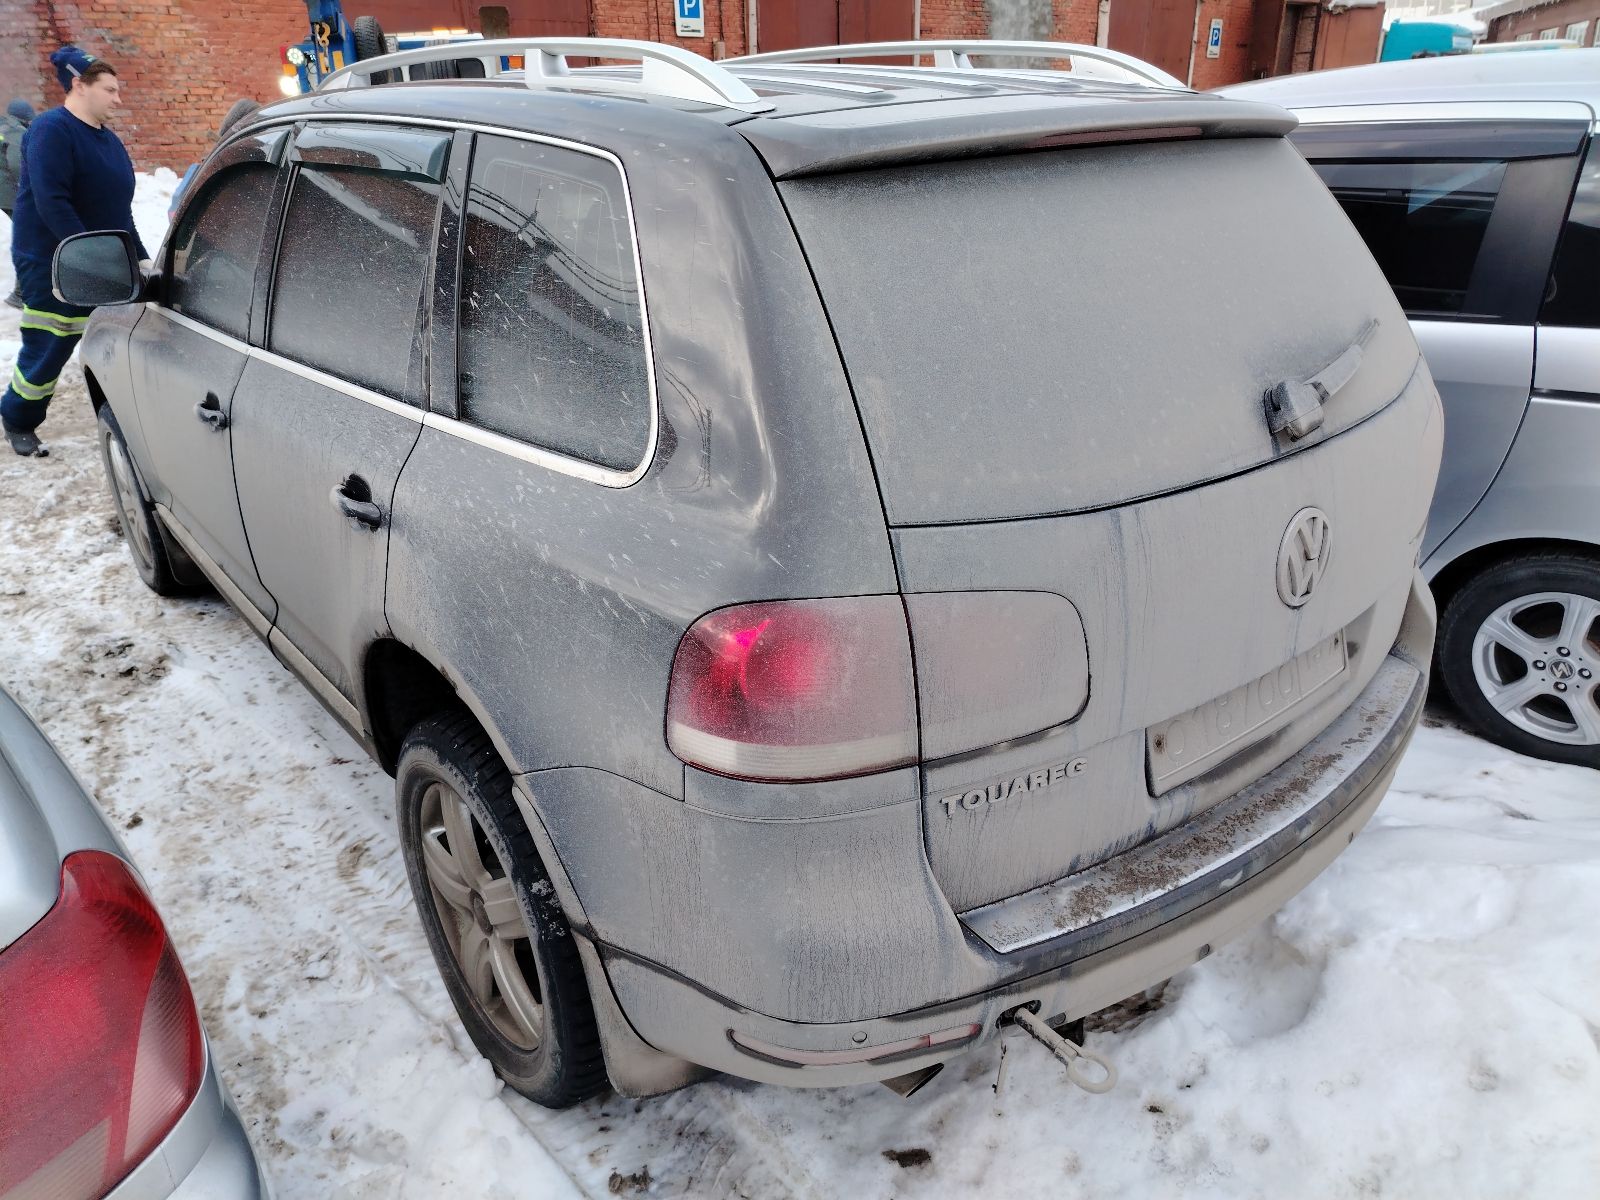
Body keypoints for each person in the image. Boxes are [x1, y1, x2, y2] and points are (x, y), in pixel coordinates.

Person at [3, 47, 146, 457]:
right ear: (79, 85)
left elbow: (120, 210)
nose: (118, 99)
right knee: (51, 342)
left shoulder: (109, 141)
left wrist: (139, 255)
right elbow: (52, 200)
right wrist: (87, 255)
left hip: (100, 258)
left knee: (119, 336)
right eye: (110, 90)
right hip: (54, 262)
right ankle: (18, 416)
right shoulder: (52, 129)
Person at [0, 98, 34, 309]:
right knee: (29, 237)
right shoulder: (15, 131)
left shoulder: (2, 125)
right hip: (9, 192)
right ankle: (20, 294)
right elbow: (16, 161)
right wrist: (27, 187)